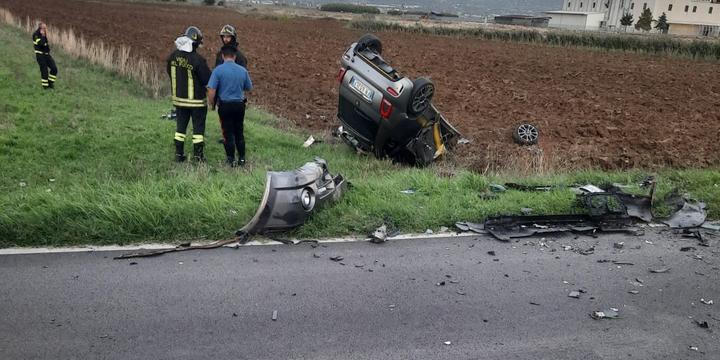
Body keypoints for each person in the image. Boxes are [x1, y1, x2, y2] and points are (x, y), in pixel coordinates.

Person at [166, 26, 211, 163]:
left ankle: (179, 155)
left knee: (180, 129)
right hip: (197, 102)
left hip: (179, 101)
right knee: (198, 130)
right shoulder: (198, 60)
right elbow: (207, 80)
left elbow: (170, 73)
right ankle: (198, 157)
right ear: (195, 42)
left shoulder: (172, 57)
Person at [207, 45, 253, 167]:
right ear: (235, 56)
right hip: (239, 105)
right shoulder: (242, 70)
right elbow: (249, 87)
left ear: (222, 56)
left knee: (227, 133)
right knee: (239, 132)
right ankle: (242, 159)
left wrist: (212, 103)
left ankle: (230, 159)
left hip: (225, 106)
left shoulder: (218, 70)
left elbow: (211, 90)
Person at [214, 24, 248, 144]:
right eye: (224, 37)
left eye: (228, 37)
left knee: (236, 122)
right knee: (224, 121)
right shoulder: (220, 55)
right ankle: (227, 138)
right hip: (222, 94)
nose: (226, 39)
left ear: (233, 38)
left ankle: (234, 139)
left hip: (236, 95)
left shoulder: (239, 56)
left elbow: (244, 77)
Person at [32, 22, 58, 90]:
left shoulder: (44, 35)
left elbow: (46, 45)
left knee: (54, 68)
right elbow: (41, 44)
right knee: (44, 71)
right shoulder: (35, 35)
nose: (46, 29)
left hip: (47, 55)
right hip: (40, 56)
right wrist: (43, 36)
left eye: (46, 28)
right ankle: (45, 87)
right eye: (44, 28)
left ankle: (50, 82)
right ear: (41, 28)